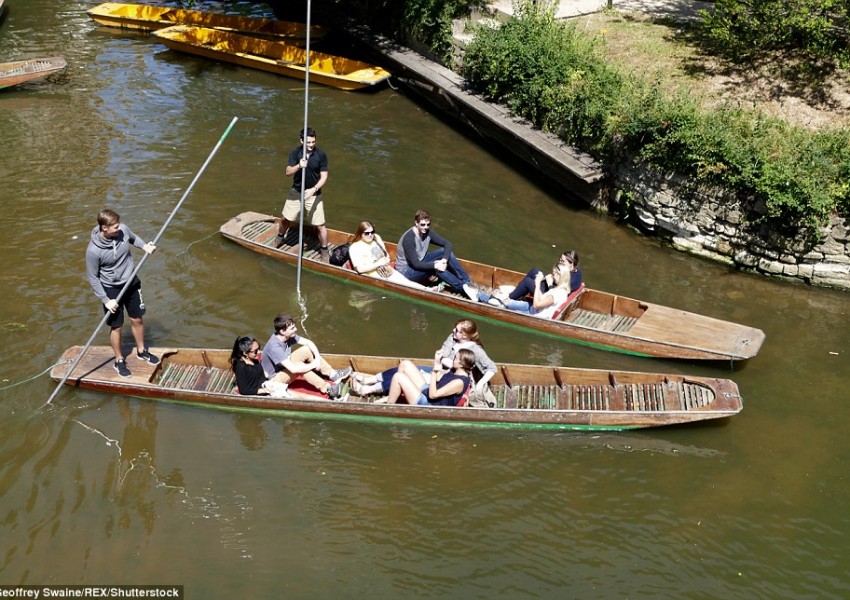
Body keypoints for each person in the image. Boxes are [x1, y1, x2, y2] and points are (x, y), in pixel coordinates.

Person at [85, 208, 159, 378]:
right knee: (116, 326)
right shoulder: (93, 251)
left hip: (131, 281)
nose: (119, 228)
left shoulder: (123, 230)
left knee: (137, 318)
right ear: (105, 228)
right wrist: (106, 300)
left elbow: (133, 238)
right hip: (111, 289)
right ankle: (119, 361)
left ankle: (142, 351)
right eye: (115, 227)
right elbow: (93, 278)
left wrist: (144, 246)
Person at [350, 318, 497, 396]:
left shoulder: (476, 350)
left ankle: (369, 389)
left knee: (404, 374)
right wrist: (442, 360)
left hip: (447, 377)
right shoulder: (453, 338)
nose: (453, 331)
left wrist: (480, 384)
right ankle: (371, 380)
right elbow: (443, 352)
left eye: (457, 330)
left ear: (464, 336)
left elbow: (492, 368)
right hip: (438, 368)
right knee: (404, 366)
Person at [259, 313, 351, 400]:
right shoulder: (275, 347)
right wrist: (313, 365)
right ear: (282, 331)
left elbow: (309, 343)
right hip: (274, 379)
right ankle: (328, 389)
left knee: (306, 349)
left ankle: (333, 375)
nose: (295, 329)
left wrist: (317, 360)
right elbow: (294, 369)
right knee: (299, 366)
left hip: (283, 367)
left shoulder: (287, 336)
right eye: (292, 328)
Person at [394, 209, 478, 301]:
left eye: (428, 225)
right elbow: (416, 264)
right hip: (406, 271)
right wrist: (435, 265)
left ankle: (467, 282)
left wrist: (444, 260)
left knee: (444, 252)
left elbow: (447, 244)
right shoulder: (409, 239)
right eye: (422, 224)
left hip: (421, 260)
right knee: (435, 267)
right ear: (416, 223)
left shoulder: (427, 233)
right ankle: (461, 287)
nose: (425, 227)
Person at [274, 127, 331, 262]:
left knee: (320, 225)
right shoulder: (295, 153)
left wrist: (314, 189)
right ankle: (280, 237)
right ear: (301, 141)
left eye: (313, 142)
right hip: (296, 192)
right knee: (285, 219)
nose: (311, 145)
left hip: (313, 193)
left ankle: (324, 250)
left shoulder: (321, 155)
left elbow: (324, 177)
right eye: (308, 142)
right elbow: (288, 172)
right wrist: (299, 165)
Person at [348, 220, 429, 290]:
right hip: (373, 275)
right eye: (366, 233)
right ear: (360, 233)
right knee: (402, 285)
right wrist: (379, 264)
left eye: (372, 232)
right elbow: (360, 269)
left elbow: (386, 256)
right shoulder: (354, 247)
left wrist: (386, 261)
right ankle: (428, 291)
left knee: (406, 282)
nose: (370, 235)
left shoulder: (376, 238)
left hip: (386, 270)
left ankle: (427, 289)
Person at [484, 260, 578, 319]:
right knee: (502, 300)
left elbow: (537, 305)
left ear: (560, 276)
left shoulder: (558, 293)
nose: (553, 277)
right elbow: (542, 299)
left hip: (533, 314)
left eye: (554, 275)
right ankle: (481, 296)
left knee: (500, 302)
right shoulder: (560, 289)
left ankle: (478, 296)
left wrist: (537, 284)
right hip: (531, 308)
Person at [384, 348, 474, 406]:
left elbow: (433, 395)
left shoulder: (459, 382)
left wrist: (434, 372)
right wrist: (437, 362)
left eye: (455, 358)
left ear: (461, 365)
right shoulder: (454, 371)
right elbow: (439, 379)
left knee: (398, 377)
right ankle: (396, 394)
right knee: (405, 364)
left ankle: (389, 406)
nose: (453, 359)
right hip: (427, 392)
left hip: (428, 404)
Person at [497, 250, 582, 303]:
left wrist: (549, 283)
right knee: (535, 270)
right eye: (560, 260)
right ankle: (518, 294)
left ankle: (508, 300)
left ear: (572, 264)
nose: (560, 262)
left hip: (547, 296)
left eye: (563, 261)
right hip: (549, 289)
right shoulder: (576, 272)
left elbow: (556, 295)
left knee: (527, 282)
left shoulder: (570, 280)